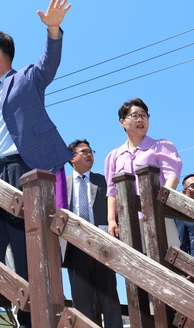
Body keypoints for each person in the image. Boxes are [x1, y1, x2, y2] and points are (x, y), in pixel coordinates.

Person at [0, 0, 73, 328]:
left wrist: (53, 30)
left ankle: (33, 322)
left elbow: (48, 64)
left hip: (19, 171)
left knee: (26, 254)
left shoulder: (26, 79)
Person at [62, 139, 123, 328]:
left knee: (110, 300)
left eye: (91, 151)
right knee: (82, 303)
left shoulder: (104, 182)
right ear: (72, 158)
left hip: (102, 246)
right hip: (74, 247)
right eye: (84, 151)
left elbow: (116, 210)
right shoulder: (62, 185)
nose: (90, 155)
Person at [104, 98, 182, 239]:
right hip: (127, 220)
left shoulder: (161, 146)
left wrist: (160, 205)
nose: (141, 119)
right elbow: (112, 191)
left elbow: (172, 177)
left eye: (144, 115)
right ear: (122, 122)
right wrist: (111, 220)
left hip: (159, 216)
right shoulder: (114, 155)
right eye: (135, 116)